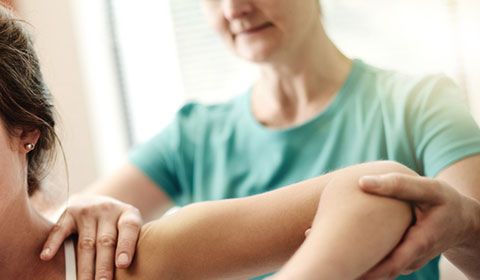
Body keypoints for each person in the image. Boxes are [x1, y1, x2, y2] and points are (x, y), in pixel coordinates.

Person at [42, 0, 480, 279]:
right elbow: (54, 236)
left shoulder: (420, 104)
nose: (234, 8)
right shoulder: (193, 135)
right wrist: (84, 208)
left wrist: (465, 225)